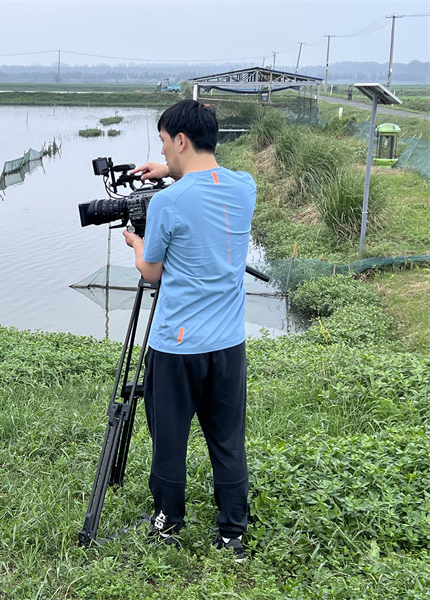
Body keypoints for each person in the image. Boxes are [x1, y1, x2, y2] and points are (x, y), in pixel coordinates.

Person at [123, 100, 256, 561]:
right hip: (228, 343)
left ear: (180, 140)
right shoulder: (245, 187)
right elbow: (210, 178)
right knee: (226, 437)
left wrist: (136, 242)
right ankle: (232, 532)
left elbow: (152, 272)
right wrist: (172, 168)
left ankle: (167, 522)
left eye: (163, 141)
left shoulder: (166, 202)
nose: (163, 150)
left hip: (177, 345)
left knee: (170, 436)